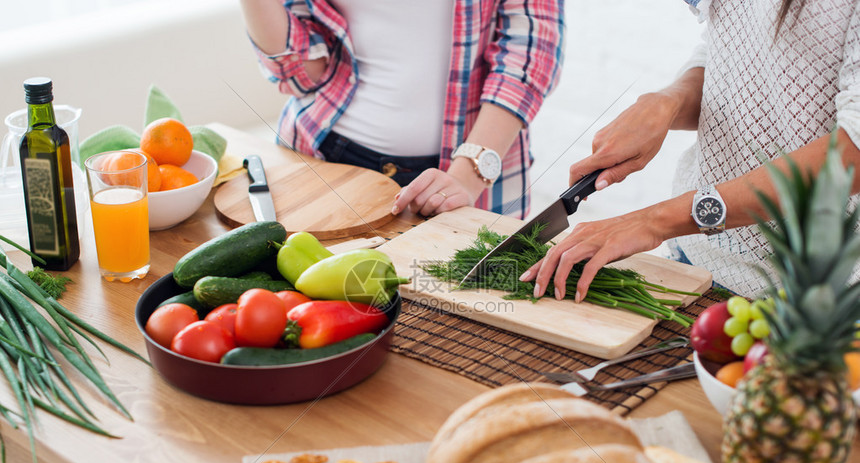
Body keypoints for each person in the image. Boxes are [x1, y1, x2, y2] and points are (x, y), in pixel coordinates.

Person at [521, 0, 860, 301]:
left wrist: (653, 221)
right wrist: (669, 102)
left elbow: (853, 155)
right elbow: (728, 47)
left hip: (824, 298)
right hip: (697, 263)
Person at [239, 0, 564, 220]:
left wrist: (469, 175)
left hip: (467, 172)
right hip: (323, 156)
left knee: (473, 312)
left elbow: (531, 54)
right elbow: (304, 73)